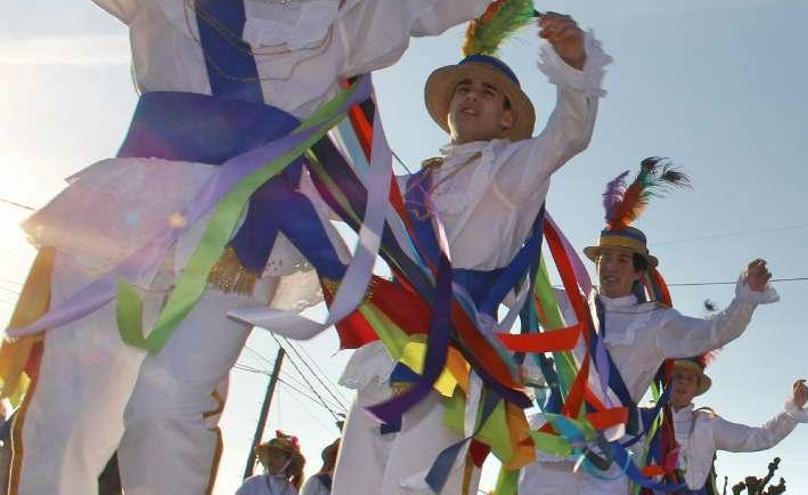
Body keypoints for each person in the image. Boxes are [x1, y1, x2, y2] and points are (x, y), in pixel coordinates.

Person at [1, 1, 495, 494]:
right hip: (124, 208)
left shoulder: (338, 21)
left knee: (169, 405)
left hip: (246, 230)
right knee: (69, 406)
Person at [332, 10, 612, 495]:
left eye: (487, 92)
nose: (471, 96)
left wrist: (575, 65)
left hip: (458, 351)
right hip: (390, 341)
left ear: (508, 118)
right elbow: (348, 199)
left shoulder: (514, 169)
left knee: (417, 485)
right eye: (463, 90)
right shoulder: (412, 185)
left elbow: (569, 135)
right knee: (355, 481)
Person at [518, 162, 781, 495]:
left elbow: (715, 332)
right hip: (551, 446)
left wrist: (746, 300)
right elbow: (512, 289)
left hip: (607, 456)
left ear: (639, 273)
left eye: (622, 260)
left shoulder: (656, 324)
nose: (610, 267)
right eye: (604, 259)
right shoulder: (568, 305)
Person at [654, 357, 808, 494]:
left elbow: (758, 437)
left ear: (696, 388)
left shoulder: (707, 424)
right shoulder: (642, 420)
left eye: (690, 379)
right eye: (678, 376)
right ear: (667, 381)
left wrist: (793, 409)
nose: (683, 382)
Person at [237, 431, 307, 495]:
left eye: (277, 456)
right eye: (270, 456)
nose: (271, 460)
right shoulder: (253, 483)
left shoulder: (291, 492)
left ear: (288, 460)